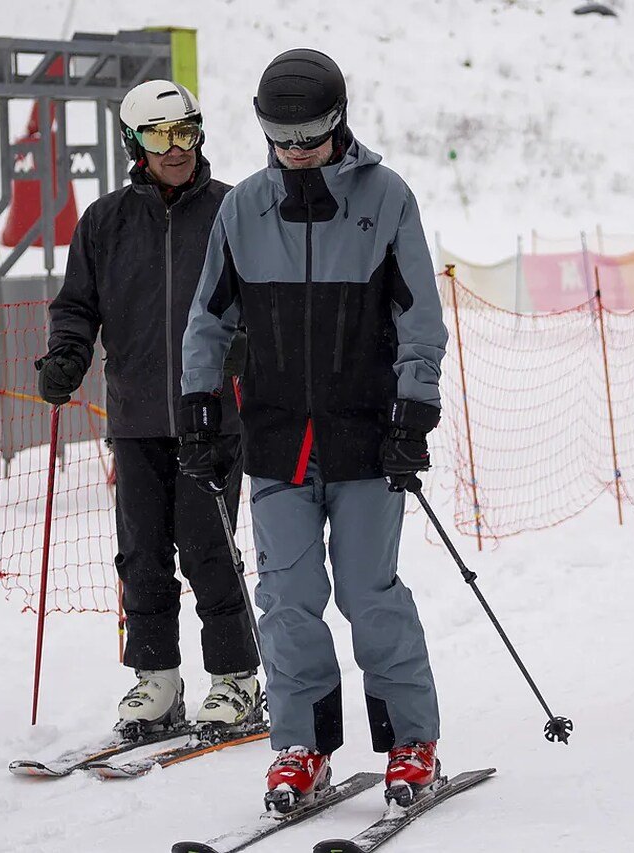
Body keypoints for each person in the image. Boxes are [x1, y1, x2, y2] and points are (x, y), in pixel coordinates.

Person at [178, 48, 448, 811]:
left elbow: (419, 320)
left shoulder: (387, 198)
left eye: (309, 135)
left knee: (369, 593)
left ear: (339, 122)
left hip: (365, 438)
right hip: (277, 438)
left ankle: (410, 739)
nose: (294, 150)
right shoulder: (243, 210)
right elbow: (207, 321)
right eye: (280, 136)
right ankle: (302, 743)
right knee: (288, 598)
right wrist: (199, 407)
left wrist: (413, 412)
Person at [36, 79, 262, 736]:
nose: (176, 148)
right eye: (161, 136)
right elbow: (76, 305)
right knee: (140, 555)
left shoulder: (233, 212)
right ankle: (156, 678)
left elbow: (264, 300)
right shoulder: (104, 222)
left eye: (186, 132)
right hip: (135, 417)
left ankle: (234, 677)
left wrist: (242, 348)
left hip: (211, 418)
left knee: (208, 549)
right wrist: (67, 355)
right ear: (135, 142)